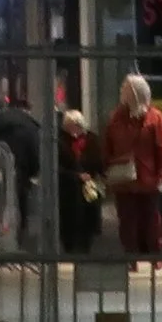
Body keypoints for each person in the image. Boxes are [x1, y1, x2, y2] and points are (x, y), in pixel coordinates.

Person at [105, 75, 162, 257]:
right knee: (126, 219)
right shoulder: (116, 117)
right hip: (123, 176)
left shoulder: (154, 117)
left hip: (147, 177)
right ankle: (131, 256)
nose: (122, 93)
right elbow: (107, 145)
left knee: (151, 218)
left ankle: (154, 253)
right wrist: (108, 166)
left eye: (126, 89)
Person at [0, 95, 46, 246]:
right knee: (21, 201)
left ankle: (0, 233)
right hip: (21, 170)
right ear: (27, 110)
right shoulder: (31, 127)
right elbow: (35, 151)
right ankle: (19, 236)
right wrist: (34, 171)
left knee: (0, 200)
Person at [58, 109, 106, 255]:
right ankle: (70, 249)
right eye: (68, 126)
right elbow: (58, 167)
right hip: (69, 188)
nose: (72, 130)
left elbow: (99, 162)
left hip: (89, 187)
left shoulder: (92, 140)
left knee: (88, 221)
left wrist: (101, 176)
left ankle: (86, 248)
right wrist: (76, 176)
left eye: (75, 125)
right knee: (69, 222)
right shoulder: (60, 141)